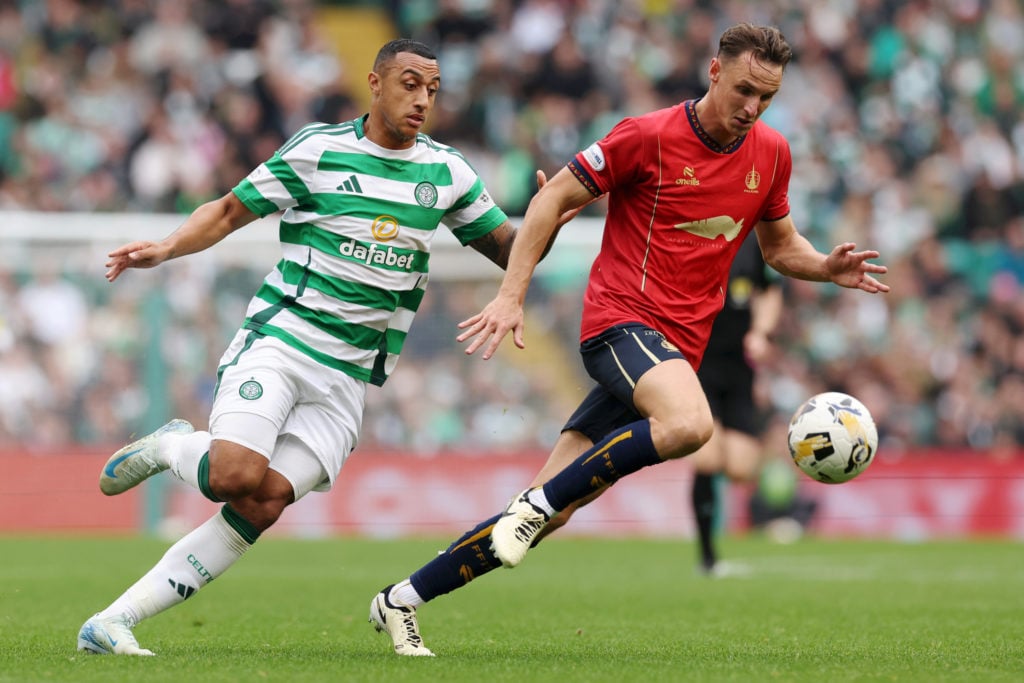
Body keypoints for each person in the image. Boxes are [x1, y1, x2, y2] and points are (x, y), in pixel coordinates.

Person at [369, 23, 889, 656]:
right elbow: (553, 197)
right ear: (714, 72)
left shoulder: (772, 154)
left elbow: (781, 248)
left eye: (768, 98)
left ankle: (403, 598)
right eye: (746, 90)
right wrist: (511, 294)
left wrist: (825, 269)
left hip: (675, 352)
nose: (753, 108)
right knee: (691, 425)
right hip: (621, 324)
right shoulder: (647, 136)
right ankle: (534, 505)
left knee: (552, 515)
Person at [76, 38, 575, 658]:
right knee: (234, 474)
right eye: (410, 84)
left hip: (349, 375)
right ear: (375, 82)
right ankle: (171, 445)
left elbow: (510, 250)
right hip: (283, 340)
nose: (423, 100)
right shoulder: (319, 149)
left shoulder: (447, 172)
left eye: (433, 90)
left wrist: (553, 212)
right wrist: (166, 247)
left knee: (264, 502)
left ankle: (112, 622)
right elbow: (231, 210)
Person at [688, 234, 782, 576]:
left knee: (741, 468)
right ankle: (707, 557)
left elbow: (770, 290)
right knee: (708, 458)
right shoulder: (691, 234)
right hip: (697, 361)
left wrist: (761, 332)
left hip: (739, 368)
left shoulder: (752, 240)